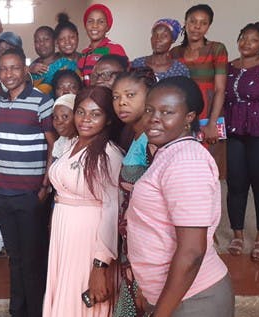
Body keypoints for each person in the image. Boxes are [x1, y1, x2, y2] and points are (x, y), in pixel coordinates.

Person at [127, 76, 234, 317]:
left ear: (189, 117)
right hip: (173, 296)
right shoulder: (169, 152)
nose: (154, 118)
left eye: (167, 112)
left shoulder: (187, 160)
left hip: (193, 300)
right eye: (150, 110)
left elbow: (192, 251)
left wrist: (160, 313)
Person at [43, 86, 123, 317]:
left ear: (108, 119)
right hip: (64, 233)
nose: (86, 119)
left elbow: (111, 210)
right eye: (81, 112)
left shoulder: (109, 154)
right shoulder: (70, 144)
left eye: (95, 114)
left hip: (88, 238)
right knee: (63, 291)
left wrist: (101, 263)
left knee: (79, 296)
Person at [0, 48, 55, 317]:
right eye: (4, 69)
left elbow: (55, 144)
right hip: (3, 196)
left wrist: (45, 184)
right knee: (15, 260)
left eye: (15, 68)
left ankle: (34, 312)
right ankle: (16, 311)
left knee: (32, 261)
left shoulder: (41, 101)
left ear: (25, 69)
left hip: (30, 195)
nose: (9, 74)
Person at [225, 22, 259, 262]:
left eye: (253, 39)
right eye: (243, 37)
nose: (246, 43)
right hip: (235, 133)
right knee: (235, 186)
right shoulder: (229, 67)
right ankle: (237, 235)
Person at [111, 68, 157, 316]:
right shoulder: (135, 135)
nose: (122, 102)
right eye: (116, 97)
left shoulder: (153, 139)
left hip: (149, 244)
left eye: (130, 95)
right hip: (133, 238)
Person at [170, 4, 228, 177]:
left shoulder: (217, 49)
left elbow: (220, 89)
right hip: (183, 112)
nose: (197, 26)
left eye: (203, 23)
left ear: (208, 26)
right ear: (185, 23)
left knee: (209, 168)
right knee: (182, 164)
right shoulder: (175, 53)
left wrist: (212, 123)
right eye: (193, 21)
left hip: (209, 112)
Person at [31, 14, 81, 96]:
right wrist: (28, 71)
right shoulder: (33, 66)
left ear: (55, 42)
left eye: (46, 39)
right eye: (37, 41)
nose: (42, 44)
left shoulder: (66, 64)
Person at [78, 3, 127, 86]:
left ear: (107, 27)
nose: (95, 25)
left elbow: (123, 78)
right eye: (90, 21)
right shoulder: (84, 53)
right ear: (85, 25)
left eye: (101, 22)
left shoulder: (114, 48)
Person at [51, 93, 77, 160]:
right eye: (55, 117)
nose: (59, 122)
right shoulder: (60, 143)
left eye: (65, 116)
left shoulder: (85, 145)